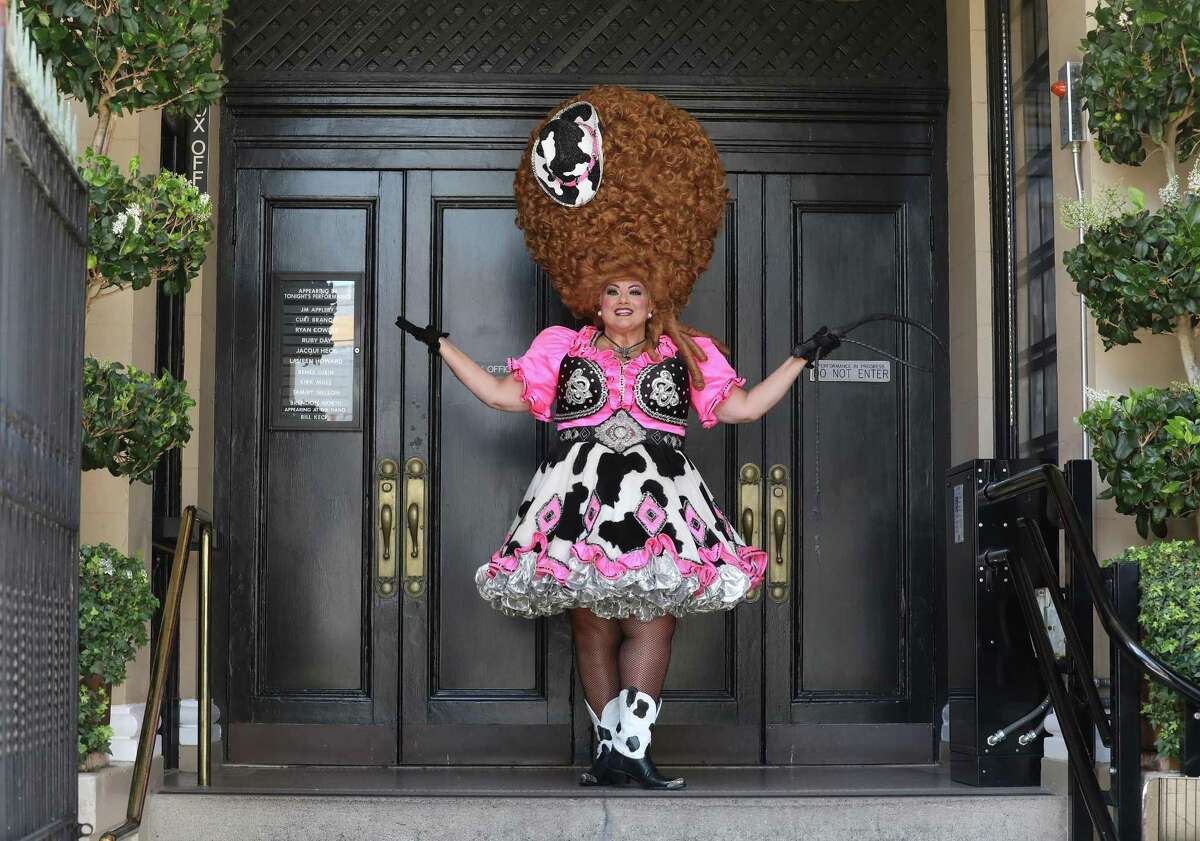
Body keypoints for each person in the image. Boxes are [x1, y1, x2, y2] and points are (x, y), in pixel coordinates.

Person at [395, 85, 840, 791]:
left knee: (655, 621)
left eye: (635, 291)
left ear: (655, 293)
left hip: (659, 502)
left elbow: (743, 408)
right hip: (578, 503)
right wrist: (445, 348)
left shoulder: (688, 352)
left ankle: (632, 747)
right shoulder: (560, 347)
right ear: (594, 297)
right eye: (612, 293)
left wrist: (800, 358)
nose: (624, 302)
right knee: (592, 625)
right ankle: (610, 756)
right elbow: (503, 395)